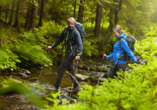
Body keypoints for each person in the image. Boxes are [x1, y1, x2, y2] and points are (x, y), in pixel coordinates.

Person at [47, 17, 83, 93]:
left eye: (73, 24)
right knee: (70, 70)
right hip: (67, 52)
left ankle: (56, 86)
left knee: (61, 67)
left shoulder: (76, 32)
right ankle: (76, 86)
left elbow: (80, 44)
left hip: (72, 53)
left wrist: (79, 54)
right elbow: (60, 39)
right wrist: (52, 46)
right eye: (70, 24)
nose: (72, 26)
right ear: (67, 24)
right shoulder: (66, 30)